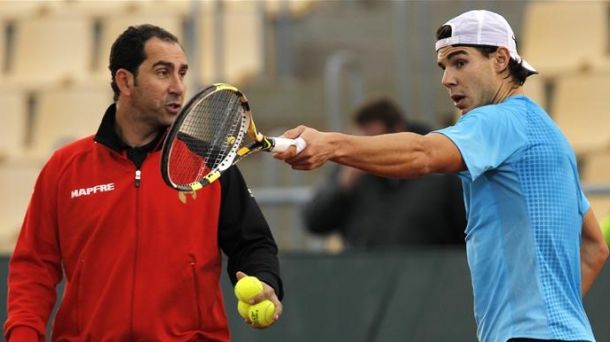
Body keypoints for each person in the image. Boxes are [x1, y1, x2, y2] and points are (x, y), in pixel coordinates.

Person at [275, 10, 609, 342]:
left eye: (460, 62)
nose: (447, 78)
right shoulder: (549, 134)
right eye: (443, 66)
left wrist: (332, 145)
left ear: (501, 59)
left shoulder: (498, 121)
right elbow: (595, 249)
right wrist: (547, 316)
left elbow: (424, 154)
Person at [4, 24, 283, 342]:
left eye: (182, 73)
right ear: (125, 80)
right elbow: (34, 266)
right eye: (163, 72)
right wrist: (23, 334)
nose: (178, 86)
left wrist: (265, 282)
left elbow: (253, 244)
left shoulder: (211, 164)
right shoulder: (64, 167)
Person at [302, 97, 466, 249]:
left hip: (428, 275)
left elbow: (464, 230)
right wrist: (342, 187)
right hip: (366, 275)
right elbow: (315, 222)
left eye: (373, 139)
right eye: (360, 140)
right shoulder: (351, 173)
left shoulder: (439, 174)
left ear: (397, 130)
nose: (365, 148)